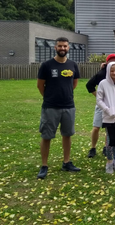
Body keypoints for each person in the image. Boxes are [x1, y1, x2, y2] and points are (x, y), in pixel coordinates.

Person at [36, 37, 81, 179]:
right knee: (46, 136)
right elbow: (40, 85)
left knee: (67, 135)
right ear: (55, 47)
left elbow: (74, 84)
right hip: (50, 107)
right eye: (60, 46)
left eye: (65, 46)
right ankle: (44, 165)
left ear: (68, 48)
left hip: (68, 106)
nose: (62, 48)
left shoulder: (73, 65)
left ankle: (66, 162)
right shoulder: (47, 65)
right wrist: (49, 97)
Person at [86, 53, 115, 158]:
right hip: (101, 105)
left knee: (109, 128)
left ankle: (107, 147)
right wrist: (98, 97)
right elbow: (89, 85)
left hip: (113, 106)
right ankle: (93, 148)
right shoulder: (102, 74)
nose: (114, 62)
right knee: (96, 127)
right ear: (107, 62)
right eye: (111, 60)